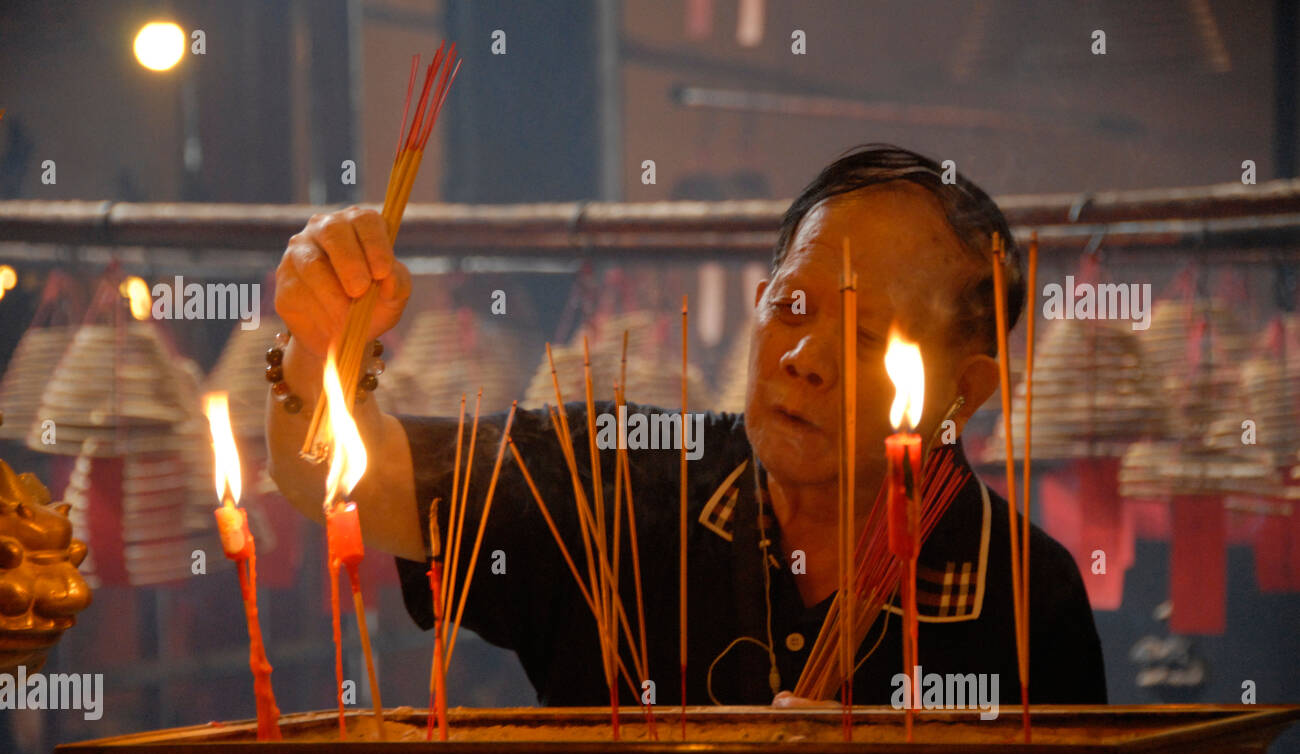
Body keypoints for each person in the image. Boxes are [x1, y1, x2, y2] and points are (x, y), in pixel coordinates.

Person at [267, 144, 1107, 710]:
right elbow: (338, 475)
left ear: (966, 390)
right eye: (792, 307)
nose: (804, 357)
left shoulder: (1021, 593)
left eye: (866, 336)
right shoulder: (619, 483)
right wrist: (318, 346)